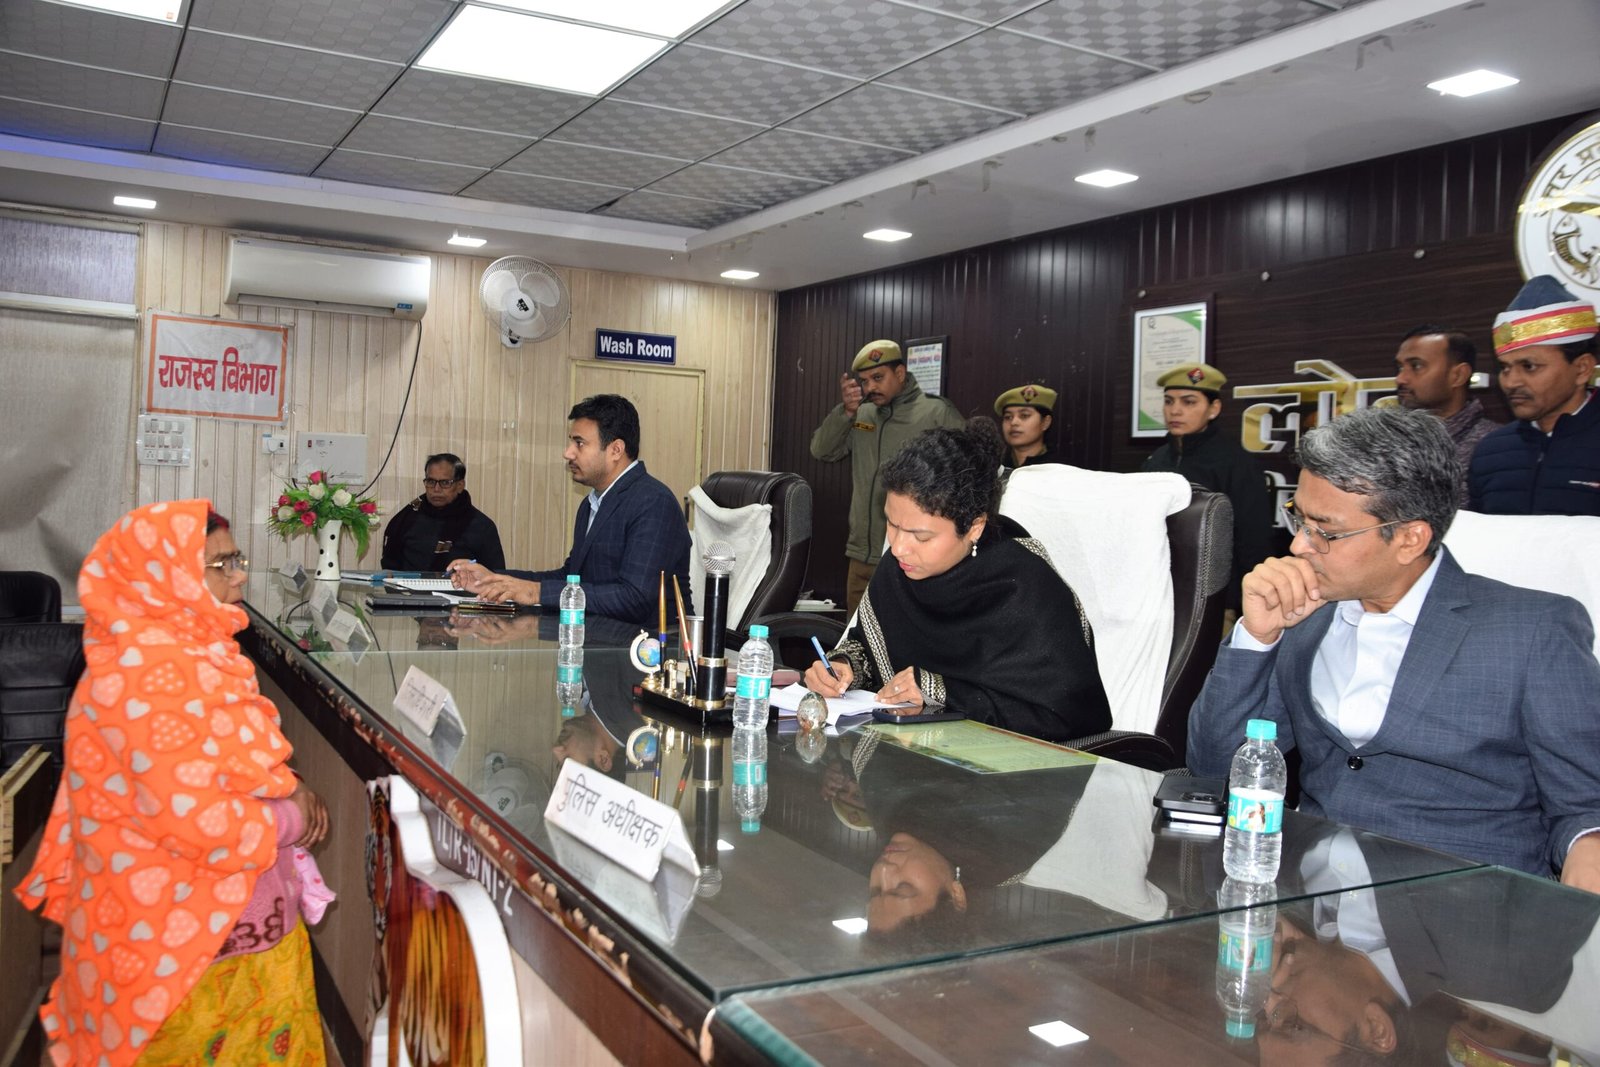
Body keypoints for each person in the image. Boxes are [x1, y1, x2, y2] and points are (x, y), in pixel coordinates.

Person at [1186, 406, 1600, 892]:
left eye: (1326, 531)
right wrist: (1256, 639)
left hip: (1464, 909)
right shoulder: (1304, 615)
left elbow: (1584, 806)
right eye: (1299, 519)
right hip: (1308, 902)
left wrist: (1586, 858)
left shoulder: (1532, 630)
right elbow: (1214, 768)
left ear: (1409, 539)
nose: (1299, 546)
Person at [17, 501, 330, 1067]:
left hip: (233, 933)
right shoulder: (146, 675)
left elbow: (233, 761)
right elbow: (199, 821)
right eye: (221, 564)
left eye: (237, 559)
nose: (239, 577)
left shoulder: (193, 651)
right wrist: (293, 817)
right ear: (165, 576)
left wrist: (290, 786)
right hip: (184, 956)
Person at [804, 423, 1111, 744]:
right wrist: (843, 668)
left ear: (974, 528)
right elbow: (870, 648)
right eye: (892, 525)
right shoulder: (900, 568)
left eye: (921, 536)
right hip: (904, 757)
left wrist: (941, 691)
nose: (898, 548)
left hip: (1004, 768)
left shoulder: (1025, 586)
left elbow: (1072, 714)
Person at [448, 394, 692, 628]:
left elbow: (635, 599)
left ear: (616, 450)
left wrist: (535, 592)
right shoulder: (591, 503)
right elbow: (572, 576)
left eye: (579, 443)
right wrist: (493, 579)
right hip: (599, 640)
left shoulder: (653, 502)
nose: (568, 453)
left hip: (649, 648)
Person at [810, 339, 965, 613]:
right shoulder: (862, 415)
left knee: (902, 630)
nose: (870, 387)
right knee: (855, 631)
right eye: (865, 381)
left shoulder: (935, 413)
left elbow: (966, 472)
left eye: (878, 378)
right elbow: (822, 450)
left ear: (900, 373)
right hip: (861, 551)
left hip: (909, 553)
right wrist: (846, 412)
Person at [1468, 275, 1600, 515]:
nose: (1511, 382)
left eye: (1529, 366)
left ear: (1582, 369)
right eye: (1505, 368)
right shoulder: (1490, 451)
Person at [1140, 362, 1273, 599]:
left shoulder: (1236, 463)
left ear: (1214, 409)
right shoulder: (1156, 460)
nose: (1175, 411)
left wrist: (1238, 601)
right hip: (1158, 589)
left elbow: (1252, 539)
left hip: (1214, 595)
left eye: (1189, 402)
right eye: (1169, 401)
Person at [1392, 325, 1498, 506]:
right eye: (1400, 367)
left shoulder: (1493, 447)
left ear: (1458, 375)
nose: (1400, 378)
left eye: (1416, 366)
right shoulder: (1386, 441)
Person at [380, 452, 505, 571]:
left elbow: (495, 576)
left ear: (460, 486)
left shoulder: (481, 526)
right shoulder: (407, 519)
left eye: (445, 483)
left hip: (461, 587)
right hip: (407, 587)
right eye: (431, 482)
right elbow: (390, 568)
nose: (436, 489)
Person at [993, 384, 1062, 469]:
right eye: (1008, 417)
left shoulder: (1060, 469)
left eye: (1024, 415)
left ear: (1045, 422)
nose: (1014, 422)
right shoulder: (993, 466)